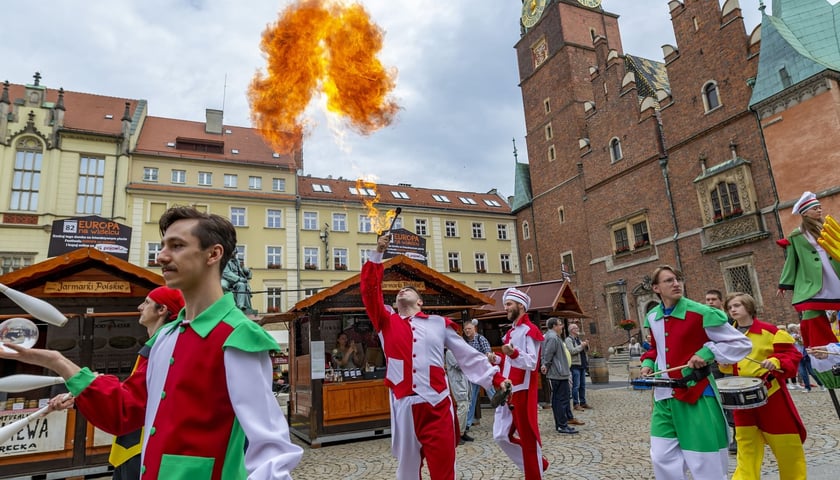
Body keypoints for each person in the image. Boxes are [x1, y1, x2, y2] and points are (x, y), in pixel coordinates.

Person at [0, 206, 303, 479]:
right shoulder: (165, 338)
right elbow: (125, 410)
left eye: (177, 246)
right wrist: (59, 362)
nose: (161, 256)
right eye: (162, 246)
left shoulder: (237, 336)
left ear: (213, 255)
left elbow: (271, 450)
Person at [360, 233, 510, 480]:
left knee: (443, 471)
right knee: (407, 473)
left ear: (420, 301)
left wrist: (495, 379)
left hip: (437, 404)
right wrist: (377, 254)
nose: (402, 291)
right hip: (405, 406)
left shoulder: (438, 323)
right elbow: (369, 291)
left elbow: (467, 355)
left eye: (408, 289)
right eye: (398, 292)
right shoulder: (385, 321)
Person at [639, 265, 751, 479]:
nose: (676, 284)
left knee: (704, 460)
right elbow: (655, 348)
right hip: (664, 397)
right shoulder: (653, 316)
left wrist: (707, 352)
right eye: (668, 281)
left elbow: (741, 343)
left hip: (696, 393)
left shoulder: (700, 312)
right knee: (661, 457)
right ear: (656, 288)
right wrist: (648, 363)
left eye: (677, 279)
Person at [718, 292, 806, 480]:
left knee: (787, 449)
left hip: (771, 397)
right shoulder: (727, 336)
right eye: (730, 307)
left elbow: (793, 356)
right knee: (746, 450)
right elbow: (726, 365)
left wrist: (776, 360)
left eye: (737, 305)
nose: (732, 309)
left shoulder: (771, 332)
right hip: (741, 402)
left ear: (748, 307)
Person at [110, 286, 185, 480]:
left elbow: (134, 401)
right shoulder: (154, 347)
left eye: (146, 302)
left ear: (162, 310)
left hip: (142, 447)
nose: (140, 307)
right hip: (133, 445)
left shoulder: (162, 349)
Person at [488, 287, 548, 479]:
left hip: (522, 392)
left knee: (528, 439)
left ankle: (535, 470)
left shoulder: (531, 330)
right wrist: (497, 358)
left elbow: (532, 363)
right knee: (500, 435)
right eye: (505, 304)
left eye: (509, 304)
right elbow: (508, 363)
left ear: (520, 306)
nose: (505, 308)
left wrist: (512, 353)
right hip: (508, 391)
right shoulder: (511, 333)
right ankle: (540, 462)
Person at [777, 191, 840, 350]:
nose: (819, 210)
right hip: (814, 277)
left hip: (835, 270)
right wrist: (784, 284)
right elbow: (792, 260)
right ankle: (821, 347)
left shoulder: (829, 226)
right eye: (815, 208)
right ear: (804, 213)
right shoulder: (796, 235)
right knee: (811, 310)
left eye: (819, 207)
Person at [704, 287, 738, 453]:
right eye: (708, 300)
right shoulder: (705, 322)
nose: (710, 302)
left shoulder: (730, 321)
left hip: (730, 365)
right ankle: (720, 433)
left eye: (713, 300)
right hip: (713, 365)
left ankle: (737, 436)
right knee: (717, 398)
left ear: (720, 302)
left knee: (732, 398)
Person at [540, 317, 576, 434]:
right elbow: (548, 354)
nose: (562, 327)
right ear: (554, 326)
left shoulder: (552, 337)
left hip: (559, 373)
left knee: (558, 400)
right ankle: (562, 425)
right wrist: (545, 365)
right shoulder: (552, 338)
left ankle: (561, 424)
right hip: (558, 374)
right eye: (560, 324)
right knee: (561, 400)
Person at [462, 319, 495, 432]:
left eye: (469, 329)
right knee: (472, 397)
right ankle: (467, 423)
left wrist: (487, 356)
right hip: (472, 373)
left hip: (483, 371)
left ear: (474, 329)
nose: (467, 331)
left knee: (492, 395)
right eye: (466, 329)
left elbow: (488, 352)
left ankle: (503, 416)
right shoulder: (465, 342)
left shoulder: (481, 339)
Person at [444, 348, 471, 444]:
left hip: (463, 381)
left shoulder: (455, 350)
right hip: (458, 383)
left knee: (466, 405)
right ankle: (457, 434)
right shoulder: (450, 352)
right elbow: (459, 365)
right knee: (462, 406)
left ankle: (462, 432)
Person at [565, 323, 590, 410]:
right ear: (571, 330)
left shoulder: (578, 339)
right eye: (576, 328)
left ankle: (583, 402)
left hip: (582, 365)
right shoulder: (568, 340)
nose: (578, 329)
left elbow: (584, 350)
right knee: (576, 385)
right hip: (575, 365)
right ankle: (576, 404)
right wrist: (582, 345)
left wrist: (586, 345)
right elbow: (572, 351)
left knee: (583, 385)